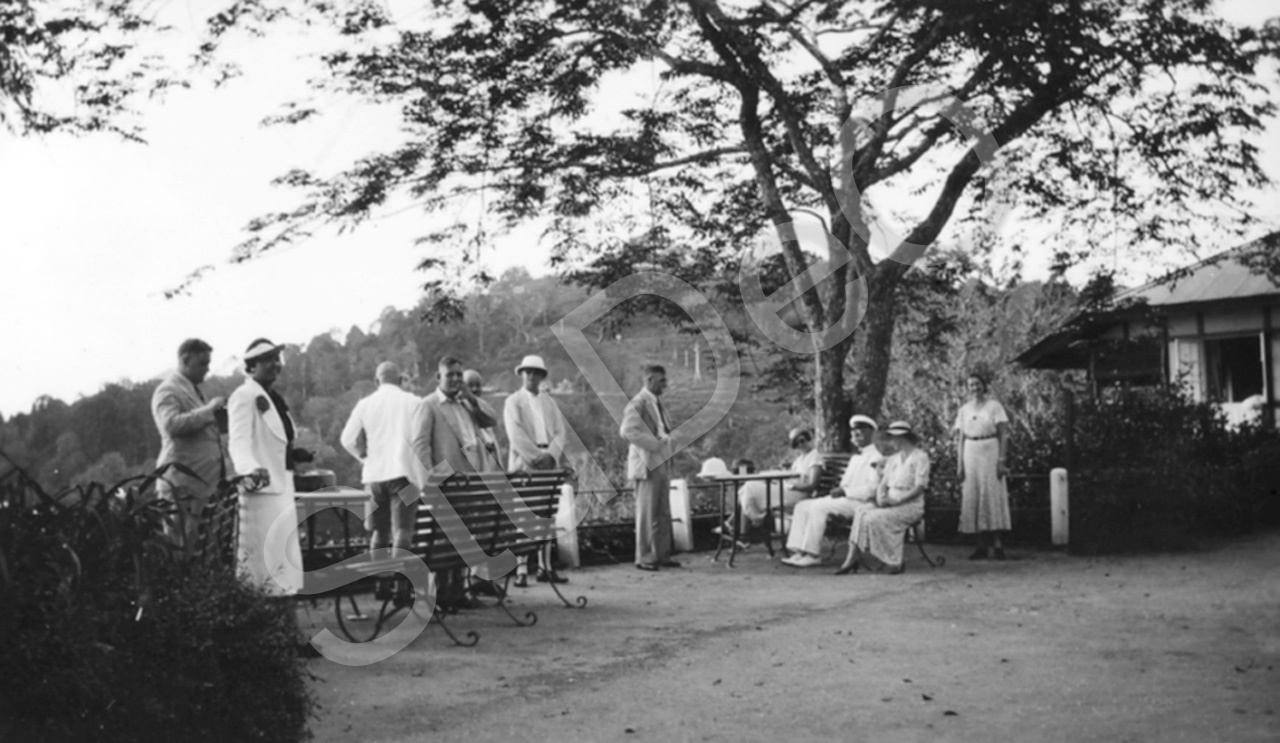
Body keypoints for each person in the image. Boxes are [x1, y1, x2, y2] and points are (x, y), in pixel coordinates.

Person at [227, 338, 316, 655]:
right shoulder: (243, 396)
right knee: (264, 568)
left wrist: (295, 453)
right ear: (251, 366)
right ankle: (269, 639)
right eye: (267, 360)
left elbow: (278, 442)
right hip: (261, 494)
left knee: (284, 564)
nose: (275, 365)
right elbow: (239, 441)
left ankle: (288, 636)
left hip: (281, 488)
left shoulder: (272, 398)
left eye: (277, 359)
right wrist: (250, 468)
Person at [411, 355, 493, 610]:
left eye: (459, 374)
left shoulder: (466, 404)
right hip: (446, 483)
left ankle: (459, 593)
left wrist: (471, 398)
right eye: (451, 375)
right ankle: (441, 595)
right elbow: (420, 446)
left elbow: (491, 419)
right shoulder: (428, 405)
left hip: (470, 481)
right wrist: (433, 481)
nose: (456, 379)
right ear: (439, 378)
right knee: (443, 540)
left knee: (464, 538)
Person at [340, 361, 422, 601]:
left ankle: (381, 584)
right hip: (405, 476)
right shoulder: (412, 401)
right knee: (403, 530)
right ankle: (400, 587)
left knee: (379, 531)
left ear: (377, 381)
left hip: (374, 477)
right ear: (400, 380)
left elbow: (347, 439)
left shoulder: (364, 404)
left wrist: (363, 457)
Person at [502, 354, 570, 586]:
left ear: (542, 376)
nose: (531, 376)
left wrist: (551, 455)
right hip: (525, 464)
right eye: (527, 372)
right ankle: (521, 569)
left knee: (546, 515)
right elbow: (515, 434)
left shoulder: (549, 403)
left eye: (536, 372)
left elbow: (560, 432)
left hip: (548, 464)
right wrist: (535, 457)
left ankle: (545, 567)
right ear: (521, 374)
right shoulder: (513, 402)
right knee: (523, 516)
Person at [150, 338, 226, 544]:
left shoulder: (192, 390)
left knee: (198, 549)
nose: (207, 369)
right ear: (185, 360)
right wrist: (209, 410)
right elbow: (170, 425)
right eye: (202, 363)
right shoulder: (168, 390)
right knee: (180, 547)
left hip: (202, 486)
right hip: (182, 488)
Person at [782, 415, 883, 567]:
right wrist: (840, 490)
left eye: (861, 431)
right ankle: (800, 552)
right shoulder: (856, 458)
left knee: (819, 507)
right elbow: (845, 483)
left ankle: (812, 555)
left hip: (863, 503)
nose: (856, 434)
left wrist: (846, 492)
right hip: (847, 500)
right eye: (854, 431)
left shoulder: (876, 457)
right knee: (802, 506)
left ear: (872, 433)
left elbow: (873, 488)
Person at [836, 420, 929, 575]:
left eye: (892, 438)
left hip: (910, 506)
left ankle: (894, 560)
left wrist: (897, 501)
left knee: (872, 518)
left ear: (901, 438)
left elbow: (920, 488)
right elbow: (883, 483)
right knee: (861, 511)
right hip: (889, 502)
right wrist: (881, 498)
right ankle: (852, 558)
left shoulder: (920, 457)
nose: (890, 442)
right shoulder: (893, 458)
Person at [621, 364, 681, 571]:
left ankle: (662, 554)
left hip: (661, 461)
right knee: (646, 512)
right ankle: (644, 557)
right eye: (661, 381)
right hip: (647, 463)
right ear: (649, 380)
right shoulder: (638, 403)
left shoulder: (657, 403)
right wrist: (656, 444)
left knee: (662, 511)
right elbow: (628, 431)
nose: (665, 385)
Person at [953, 370, 1012, 560]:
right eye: (971, 385)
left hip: (990, 450)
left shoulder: (994, 406)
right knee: (975, 495)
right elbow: (960, 439)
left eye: (977, 384)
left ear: (984, 385)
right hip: (971, 451)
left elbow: (1003, 434)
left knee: (991, 494)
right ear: (967, 388)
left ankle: (998, 545)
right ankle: (981, 546)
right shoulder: (964, 410)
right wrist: (960, 465)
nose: (975, 388)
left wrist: (1001, 461)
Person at [732, 426, 823, 534]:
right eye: (796, 444)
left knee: (749, 488)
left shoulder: (814, 457)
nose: (801, 445)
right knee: (746, 489)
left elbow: (812, 485)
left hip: (797, 493)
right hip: (787, 488)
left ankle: (758, 520)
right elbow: (791, 474)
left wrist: (793, 486)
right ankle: (747, 528)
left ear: (808, 438)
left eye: (802, 440)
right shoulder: (801, 458)